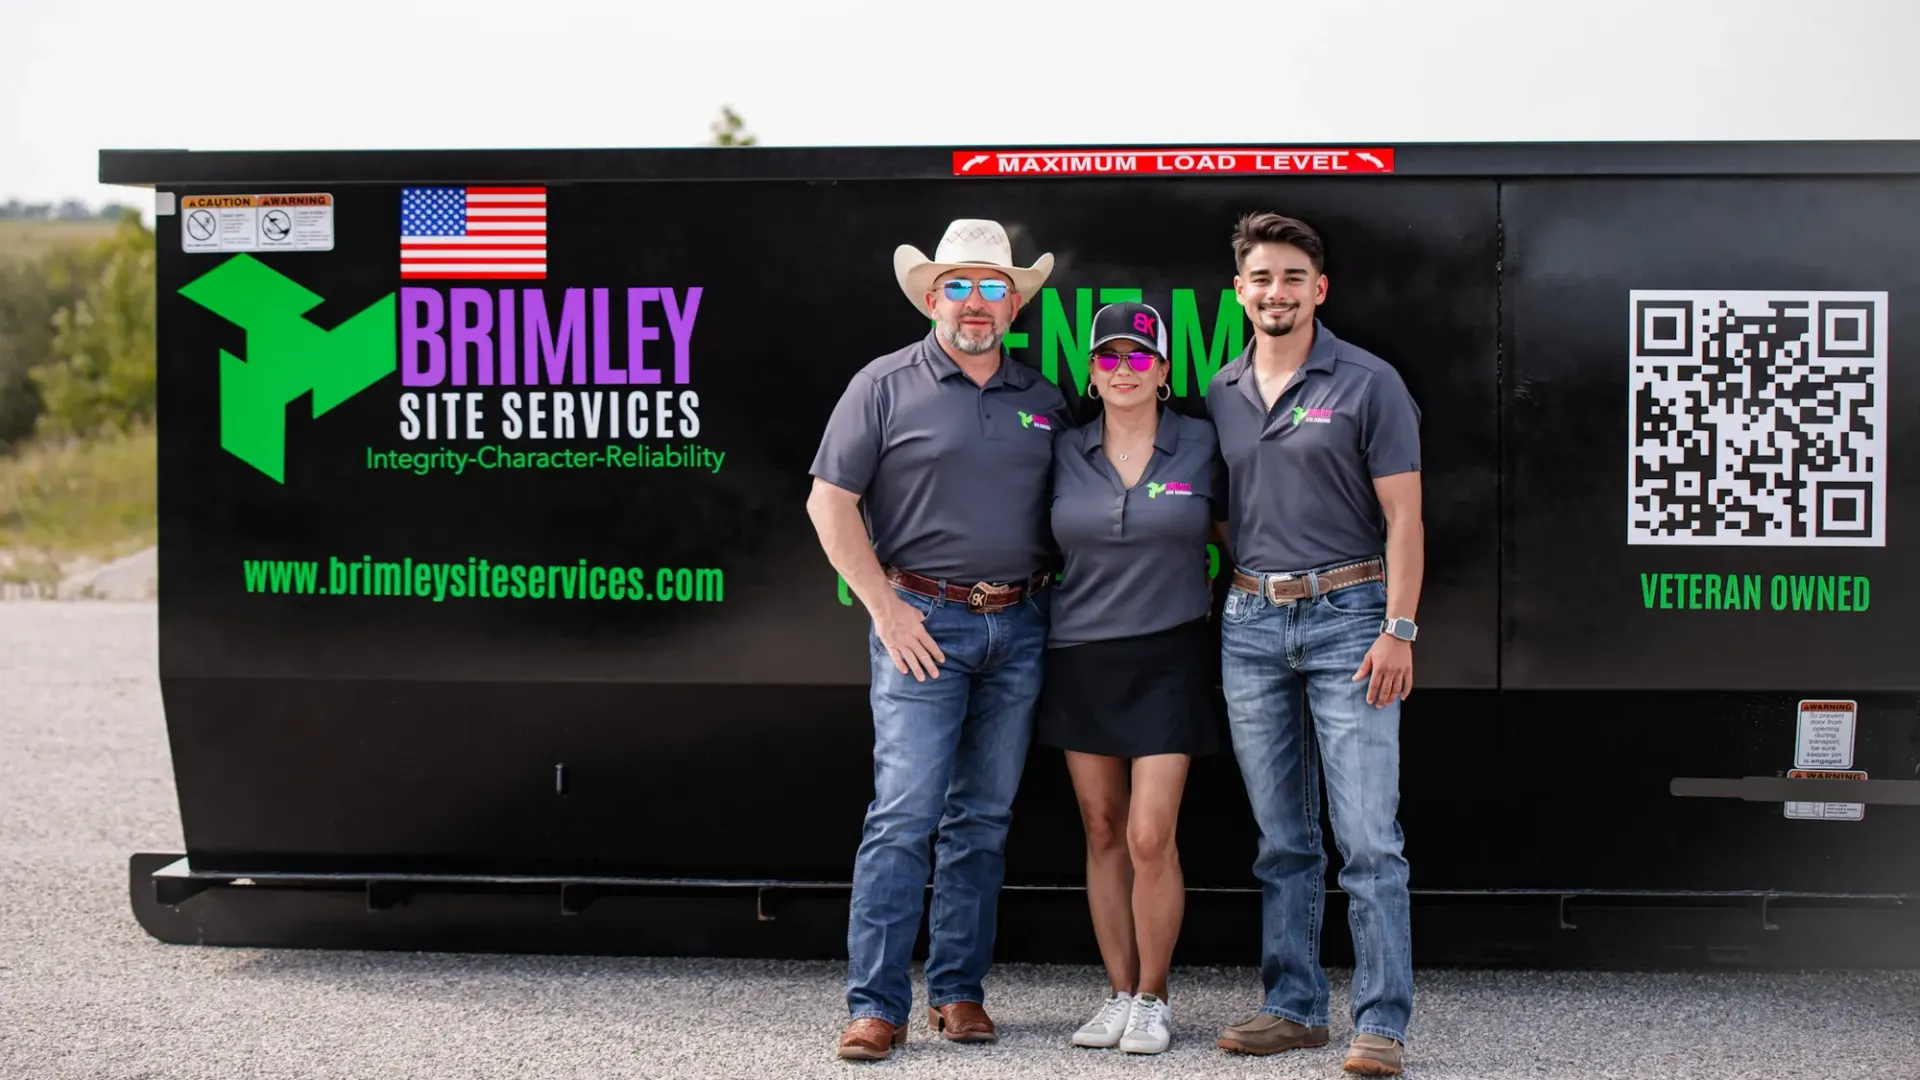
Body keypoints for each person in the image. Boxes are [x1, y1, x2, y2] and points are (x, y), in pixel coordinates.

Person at [806, 218, 1069, 1062]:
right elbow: (828, 503)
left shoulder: (1045, 398)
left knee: (982, 821)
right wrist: (885, 610)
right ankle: (875, 1005)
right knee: (904, 816)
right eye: (957, 284)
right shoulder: (882, 385)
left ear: (1014, 303)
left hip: (1021, 627)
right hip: (923, 624)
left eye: (993, 286)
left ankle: (958, 993)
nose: (975, 302)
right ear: (930, 295)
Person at [1204, 212, 1424, 1078]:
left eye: (1293, 277)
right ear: (1239, 292)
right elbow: (1224, 512)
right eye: (1261, 278)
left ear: (1319, 289)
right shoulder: (1220, 390)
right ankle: (1294, 1008)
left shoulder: (1369, 382)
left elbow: (1405, 516)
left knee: (1369, 837)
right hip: (1251, 623)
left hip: (1351, 618)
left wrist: (1398, 628)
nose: (1277, 293)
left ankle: (1381, 1023)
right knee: (1281, 838)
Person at [1034, 302, 1225, 1056]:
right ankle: (1117, 992)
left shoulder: (1203, 444)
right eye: (1109, 357)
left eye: (1139, 356)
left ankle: (1155, 997)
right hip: (1079, 654)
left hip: (1170, 655)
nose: (1123, 369)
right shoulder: (1063, 449)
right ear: (1090, 371)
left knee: (1151, 836)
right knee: (1103, 829)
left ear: (1166, 372)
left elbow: (1239, 533)